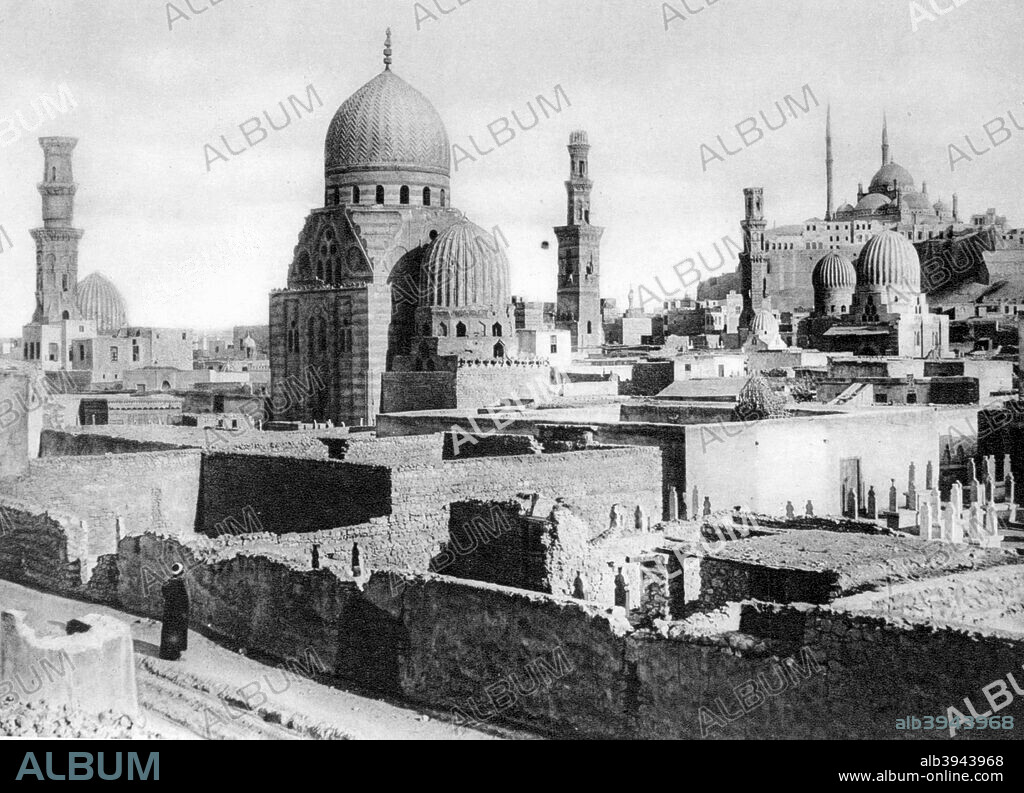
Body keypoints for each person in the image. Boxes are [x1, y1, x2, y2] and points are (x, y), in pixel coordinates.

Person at [159, 563, 190, 661]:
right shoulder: (179, 584)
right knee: (175, 633)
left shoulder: (167, 583)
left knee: (168, 632)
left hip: (168, 612)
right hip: (177, 613)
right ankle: (173, 655)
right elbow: (182, 600)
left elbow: (165, 594)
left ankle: (165, 653)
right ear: (181, 573)